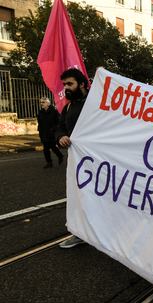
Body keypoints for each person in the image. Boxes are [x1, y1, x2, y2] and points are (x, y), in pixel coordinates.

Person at [56, 68, 89, 248]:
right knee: (79, 197)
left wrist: (105, 79)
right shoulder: (68, 107)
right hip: (78, 161)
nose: (66, 88)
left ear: (82, 84)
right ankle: (80, 233)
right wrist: (60, 137)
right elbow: (60, 128)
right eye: (64, 85)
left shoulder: (96, 101)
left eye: (70, 84)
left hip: (101, 161)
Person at [36, 97, 63, 169]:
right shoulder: (40, 113)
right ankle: (49, 162)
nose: (41, 104)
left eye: (43, 102)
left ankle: (60, 156)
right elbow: (40, 123)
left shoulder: (54, 112)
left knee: (52, 146)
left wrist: (53, 128)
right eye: (41, 102)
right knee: (46, 149)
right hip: (44, 133)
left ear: (48, 103)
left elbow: (58, 121)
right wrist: (40, 131)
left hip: (51, 133)